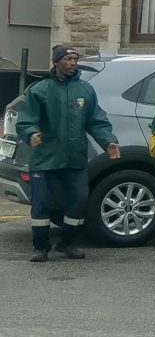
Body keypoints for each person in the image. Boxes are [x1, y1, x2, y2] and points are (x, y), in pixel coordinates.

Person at [17, 44, 120, 262]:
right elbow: (25, 121)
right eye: (68, 59)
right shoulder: (39, 90)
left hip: (75, 159)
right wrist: (31, 133)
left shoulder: (85, 90)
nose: (73, 63)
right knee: (42, 203)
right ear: (56, 62)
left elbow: (96, 121)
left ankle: (66, 243)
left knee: (79, 200)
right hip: (45, 159)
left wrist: (108, 142)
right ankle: (40, 247)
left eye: (75, 58)